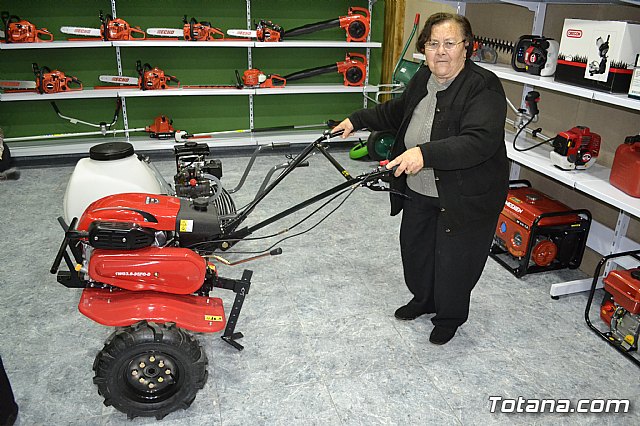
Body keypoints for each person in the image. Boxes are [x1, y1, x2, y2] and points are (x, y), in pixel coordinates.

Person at [333, 12, 509, 345]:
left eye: (449, 43)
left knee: (454, 261)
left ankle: (449, 316)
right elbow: (399, 112)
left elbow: (479, 141)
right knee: (416, 250)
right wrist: (357, 120)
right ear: (424, 49)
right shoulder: (423, 78)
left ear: (467, 48)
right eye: (433, 44)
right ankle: (423, 299)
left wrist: (424, 154)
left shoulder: (483, 87)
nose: (440, 52)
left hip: (464, 196)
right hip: (419, 190)